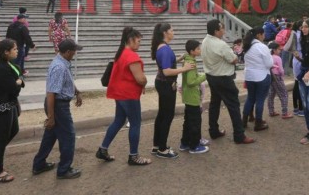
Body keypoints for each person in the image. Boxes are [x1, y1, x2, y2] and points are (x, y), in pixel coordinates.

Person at [96, 27, 151, 166]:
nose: (139, 43)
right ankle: (133, 156)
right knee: (135, 123)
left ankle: (103, 149)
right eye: (138, 41)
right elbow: (140, 79)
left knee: (119, 121)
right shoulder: (131, 56)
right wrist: (145, 82)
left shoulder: (121, 53)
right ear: (131, 40)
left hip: (120, 94)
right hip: (129, 95)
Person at [32, 39, 84, 178]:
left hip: (58, 103)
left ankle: (39, 164)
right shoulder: (59, 67)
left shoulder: (62, 62)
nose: (75, 53)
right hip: (57, 105)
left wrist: (76, 92)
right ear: (67, 52)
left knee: (51, 135)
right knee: (68, 136)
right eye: (74, 51)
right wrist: (51, 117)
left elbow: (67, 81)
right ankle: (64, 170)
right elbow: (51, 93)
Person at [201, 19, 255, 144]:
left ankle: (213, 131)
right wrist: (234, 53)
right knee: (233, 106)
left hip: (211, 76)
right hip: (223, 78)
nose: (223, 31)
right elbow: (234, 60)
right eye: (222, 29)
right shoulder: (221, 44)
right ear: (216, 31)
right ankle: (239, 135)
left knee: (214, 104)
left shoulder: (205, 41)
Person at [151, 23, 192, 159]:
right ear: (165, 33)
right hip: (166, 84)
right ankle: (162, 149)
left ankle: (157, 145)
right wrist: (184, 68)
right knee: (167, 115)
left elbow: (166, 64)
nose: (173, 32)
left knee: (162, 114)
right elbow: (167, 71)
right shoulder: (165, 49)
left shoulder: (162, 47)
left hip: (162, 83)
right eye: (172, 30)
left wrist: (178, 59)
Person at [0, 39, 24, 183]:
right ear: (6, 52)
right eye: (14, 49)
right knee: (2, 139)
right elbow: (14, 89)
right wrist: (19, 82)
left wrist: (18, 80)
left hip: (9, 104)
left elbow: (18, 72)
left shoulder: (8, 64)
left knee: (14, 130)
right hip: (0, 107)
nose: (17, 50)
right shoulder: (1, 68)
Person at [179, 40, 209, 154]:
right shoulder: (191, 63)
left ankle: (185, 143)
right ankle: (194, 146)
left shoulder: (188, 59)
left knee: (188, 122)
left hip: (188, 96)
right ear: (192, 51)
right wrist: (204, 77)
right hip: (192, 97)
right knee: (195, 122)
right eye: (198, 49)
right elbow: (191, 82)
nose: (199, 50)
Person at [242, 27, 273, 131]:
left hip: (249, 76)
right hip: (261, 76)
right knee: (260, 99)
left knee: (250, 98)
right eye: (263, 34)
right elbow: (269, 64)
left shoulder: (247, 46)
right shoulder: (261, 46)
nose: (264, 36)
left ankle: (244, 121)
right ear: (259, 35)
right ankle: (258, 123)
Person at [267, 41, 293, 119]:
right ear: (274, 50)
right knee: (284, 94)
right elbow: (281, 70)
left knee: (271, 94)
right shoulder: (277, 58)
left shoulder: (269, 57)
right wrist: (282, 76)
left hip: (271, 77)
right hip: (277, 77)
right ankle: (284, 113)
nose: (280, 50)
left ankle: (271, 111)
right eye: (279, 49)